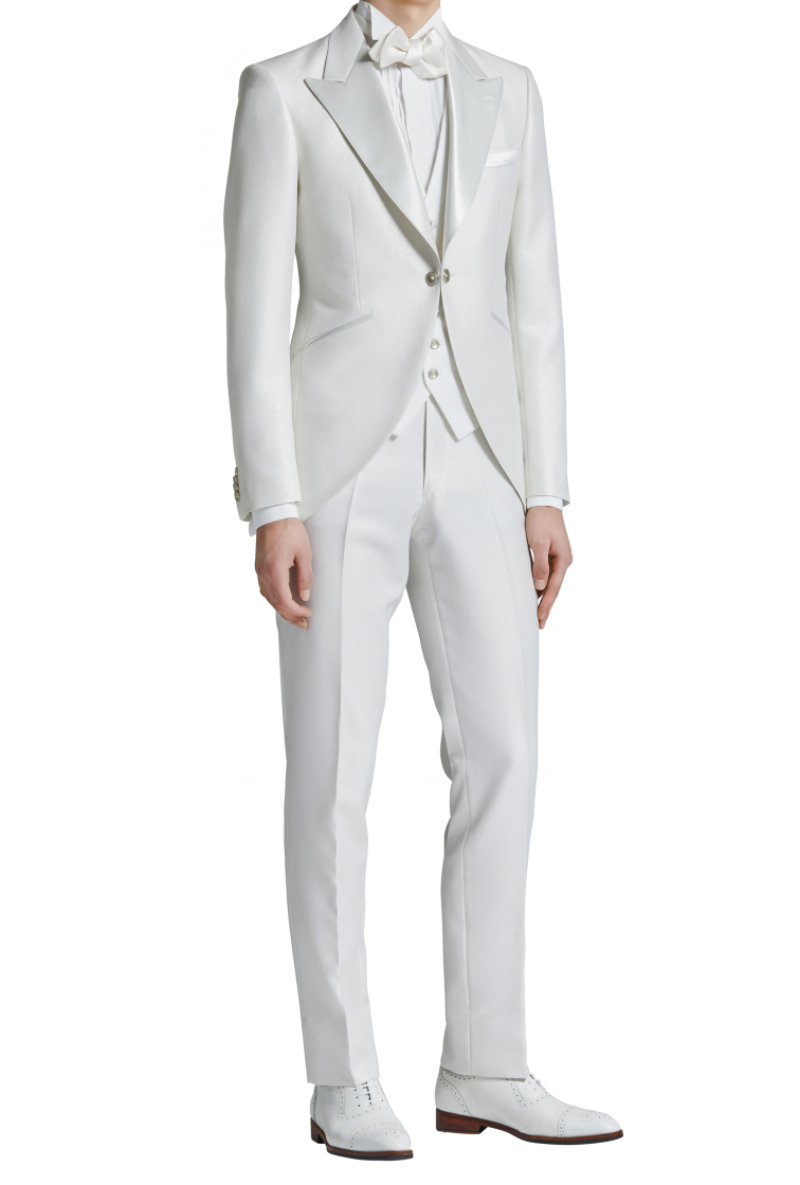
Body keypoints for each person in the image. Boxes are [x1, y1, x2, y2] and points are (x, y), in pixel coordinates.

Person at [224, 0, 622, 1160]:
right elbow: (251, 313)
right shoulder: (280, 89)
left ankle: (485, 1063)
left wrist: (543, 486)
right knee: (332, 774)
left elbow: (533, 298)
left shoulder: (512, 88)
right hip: (338, 465)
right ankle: (342, 1075)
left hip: (483, 458)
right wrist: (273, 501)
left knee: (504, 753)